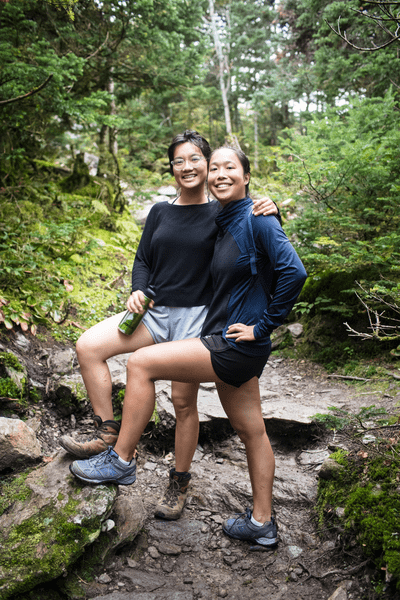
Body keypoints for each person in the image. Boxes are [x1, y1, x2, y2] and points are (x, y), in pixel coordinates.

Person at [70, 145, 307, 547]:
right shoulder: (228, 217)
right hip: (231, 342)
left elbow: (294, 272)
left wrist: (264, 327)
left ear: (247, 176)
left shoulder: (256, 218)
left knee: (141, 364)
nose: (218, 174)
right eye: (215, 168)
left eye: (228, 167)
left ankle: (122, 460)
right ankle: (262, 524)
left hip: (232, 343)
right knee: (253, 430)